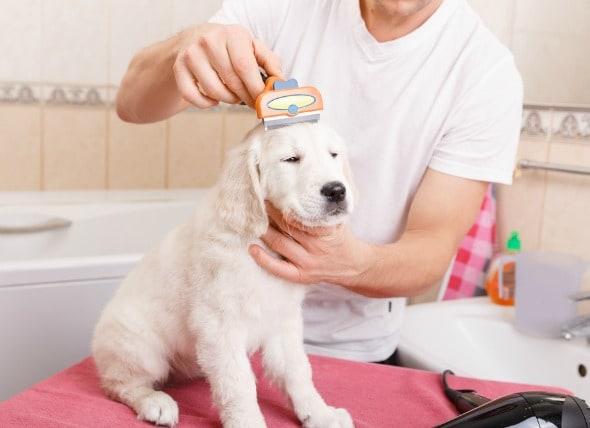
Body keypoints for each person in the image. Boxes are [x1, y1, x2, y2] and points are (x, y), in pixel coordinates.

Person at [116, 0, 523, 363]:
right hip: (223, 327)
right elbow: (131, 104)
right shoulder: (284, 7)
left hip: (349, 347)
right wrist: (187, 46)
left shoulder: (484, 72)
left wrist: (350, 265)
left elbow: (431, 247)